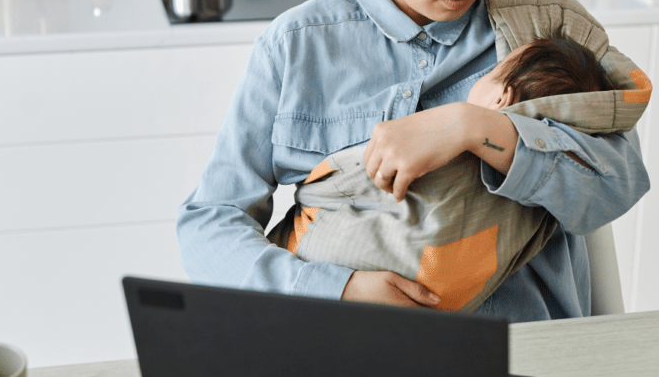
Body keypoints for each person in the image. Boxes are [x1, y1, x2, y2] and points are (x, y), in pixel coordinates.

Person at [177, 0, 651, 322]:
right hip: (347, 348)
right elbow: (211, 222)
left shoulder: (550, 25)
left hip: (518, 347)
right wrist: (335, 290)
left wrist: (476, 128)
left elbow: (619, 183)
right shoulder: (297, 46)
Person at [265, 36, 623, 313]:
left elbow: (335, 184)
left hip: (329, 289)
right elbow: (216, 215)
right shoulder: (292, 40)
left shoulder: (538, 14)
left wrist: (468, 123)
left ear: (501, 98)